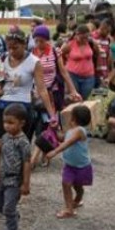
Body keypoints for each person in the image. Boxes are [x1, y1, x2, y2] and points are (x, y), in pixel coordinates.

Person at [0, 28, 55, 207]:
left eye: (15, 47)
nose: (12, 51)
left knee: (16, 153)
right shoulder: (3, 59)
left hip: (22, 109)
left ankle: (15, 189)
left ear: (24, 44)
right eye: (9, 47)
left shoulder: (34, 62)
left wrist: (52, 114)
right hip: (2, 108)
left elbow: (41, 90)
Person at [29, 25, 79, 168]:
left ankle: (35, 158)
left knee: (47, 125)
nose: (39, 44)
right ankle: (44, 153)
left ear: (47, 39)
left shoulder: (55, 52)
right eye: (36, 40)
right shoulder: (31, 53)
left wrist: (73, 90)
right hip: (36, 95)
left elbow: (63, 72)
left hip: (52, 94)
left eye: (42, 41)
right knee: (38, 125)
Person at [46, 105, 93, 219]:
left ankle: (77, 199)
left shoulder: (80, 131)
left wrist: (55, 152)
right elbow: (62, 138)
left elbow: (68, 143)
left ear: (74, 118)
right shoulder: (71, 131)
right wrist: (55, 128)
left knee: (78, 187)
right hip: (70, 165)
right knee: (66, 184)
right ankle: (69, 209)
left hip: (82, 166)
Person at [61, 24, 100, 100]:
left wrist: (97, 68)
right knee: (74, 98)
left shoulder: (91, 43)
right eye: (82, 38)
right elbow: (60, 54)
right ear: (77, 35)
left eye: (86, 37)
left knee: (85, 98)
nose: (85, 40)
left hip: (89, 76)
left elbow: (97, 54)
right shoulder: (70, 44)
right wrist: (64, 65)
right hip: (73, 76)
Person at [92, 19, 114, 88]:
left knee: (101, 96)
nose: (108, 34)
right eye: (107, 31)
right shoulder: (92, 37)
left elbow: (108, 57)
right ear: (102, 27)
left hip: (104, 74)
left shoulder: (107, 39)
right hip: (93, 73)